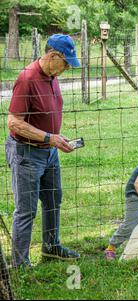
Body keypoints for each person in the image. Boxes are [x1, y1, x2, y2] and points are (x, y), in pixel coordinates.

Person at [6, 34, 81, 268]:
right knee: (26, 210)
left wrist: (56, 139)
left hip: (49, 152)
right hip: (26, 153)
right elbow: (14, 123)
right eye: (65, 63)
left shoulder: (52, 76)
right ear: (52, 56)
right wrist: (49, 137)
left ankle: (51, 247)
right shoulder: (27, 78)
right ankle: (20, 263)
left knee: (53, 200)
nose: (67, 68)